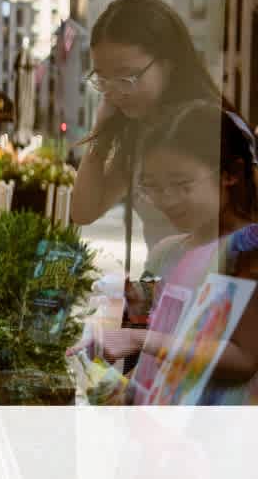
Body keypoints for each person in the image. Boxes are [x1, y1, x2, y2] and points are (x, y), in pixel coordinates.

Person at [70, 101, 258, 404]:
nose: (166, 199)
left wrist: (139, 339)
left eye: (181, 185)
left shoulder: (246, 248)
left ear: (231, 173)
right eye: (152, 186)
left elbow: (244, 359)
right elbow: (165, 332)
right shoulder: (168, 251)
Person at [71, 0, 248, 251]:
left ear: (169, 64)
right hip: (167, 285)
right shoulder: (141, 129)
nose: (113, 92)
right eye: (103, 79)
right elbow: (84, 211)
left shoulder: (212, 127)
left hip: (214, 284)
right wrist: (101, 131)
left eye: (126, 77)